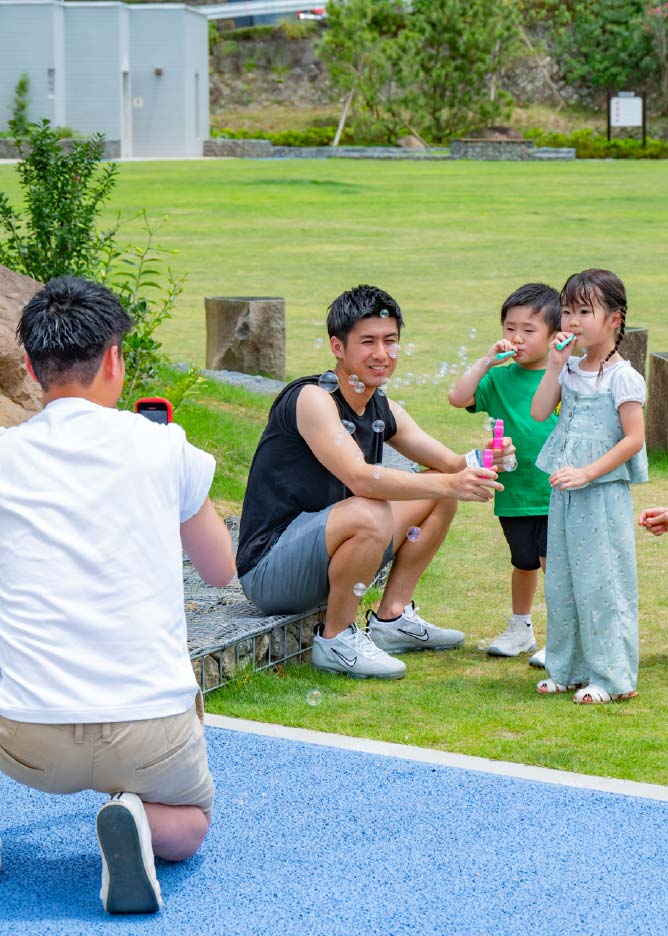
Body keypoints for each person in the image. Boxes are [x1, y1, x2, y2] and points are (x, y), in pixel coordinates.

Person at [0, 276, 235, 913]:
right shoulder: (164, 448)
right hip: (149, 727)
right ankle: (134, 813)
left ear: (29, 367)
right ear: (114, 359)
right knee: (189, 824)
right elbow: (220, 569)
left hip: (27, 739)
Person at [236, 284, 512, 680]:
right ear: (337, 346)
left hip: (329, 549)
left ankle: (392, 619)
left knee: (435, 491)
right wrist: (450, 483)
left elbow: (450, 464)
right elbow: (360, 477)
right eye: (368, 341)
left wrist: (486, 456)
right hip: (271, 570)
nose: (382, 354)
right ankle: (336, 640)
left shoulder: (383, 405)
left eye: (390, 341)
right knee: (373, 509)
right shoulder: (313, 399)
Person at [530, 269, 647, 704]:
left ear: (615, 319)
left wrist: (587, 472)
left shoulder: (623, 378)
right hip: (565, 492)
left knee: (603, 581)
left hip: (600, 493)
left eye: (585, 311)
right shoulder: (570, 369)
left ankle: (613, 677)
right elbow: (541, 412)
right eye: (567, 311)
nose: (573, 321)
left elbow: (634, 438)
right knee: (562, 580)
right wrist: (555, 365)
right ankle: (567, 668)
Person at [448, 284, 561, 666]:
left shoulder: (565, 376)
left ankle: (560, 636)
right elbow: (458, 397)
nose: (517, 337)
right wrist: (485, 362)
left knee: (552, 561)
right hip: (514, 488)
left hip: (557, 489)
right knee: (524, 561)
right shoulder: (499, 379)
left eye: (529, 330)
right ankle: (520, 628)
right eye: (510, 327)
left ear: (553, 334)